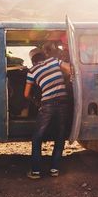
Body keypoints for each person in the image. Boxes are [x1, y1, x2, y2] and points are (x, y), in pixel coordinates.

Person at [24, 47, 71, 179]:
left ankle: (36, 171)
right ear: (43, 55)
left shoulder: (32, 71)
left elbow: (26, 94)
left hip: (47, 104)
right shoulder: (54, 61)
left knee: (37, 137)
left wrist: (36, 102)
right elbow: (69, 69)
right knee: (60, 135)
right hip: (63, 102)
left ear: (32, 60)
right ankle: (54, 169)